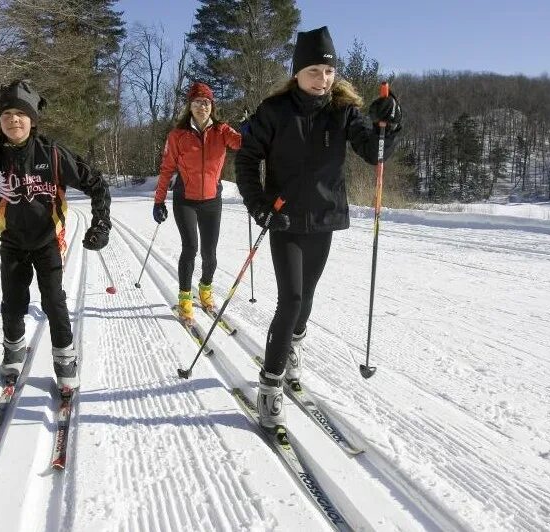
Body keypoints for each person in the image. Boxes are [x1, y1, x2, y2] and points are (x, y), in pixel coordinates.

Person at [235, 26, 402, 430]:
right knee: (290, 299)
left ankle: (292, 346)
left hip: (324, 218)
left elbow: (374, 152)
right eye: (313, 71)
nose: (322, 79)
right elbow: (245, 161)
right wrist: (260, 207)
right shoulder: (273, 112)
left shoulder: (343, 111)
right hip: (285, 218)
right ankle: (270, 386)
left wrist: (389, 124)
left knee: (306, 299)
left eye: (328, 72)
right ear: (297, 72)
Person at [0, 79, 111, 394]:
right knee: (14, 303)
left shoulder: (53, 153)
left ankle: (65, 359)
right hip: (12, 242)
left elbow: (96, 182)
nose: (13, 120)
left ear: (32, 120)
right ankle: (14, 350)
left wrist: (101, 223)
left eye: (21, 114)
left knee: (54, 302)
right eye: (7, 115)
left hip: (47, 240)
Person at [153, 81, 242, 322]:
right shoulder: (178, 135)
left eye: (206, 102)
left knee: (209, 252)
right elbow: (166, 169)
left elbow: (242, 144)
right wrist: (158, 201)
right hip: (186, 200)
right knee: (190, 248)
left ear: (212, 105)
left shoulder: (222, 131)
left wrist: (251, 128)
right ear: (189, 106)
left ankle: (204, 290)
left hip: (212, 200)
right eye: (197, 102)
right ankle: (184, 299)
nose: (202, 106)